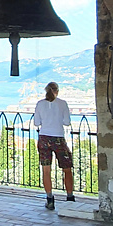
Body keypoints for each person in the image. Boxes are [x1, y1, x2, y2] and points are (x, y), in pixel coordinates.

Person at [31, 82, 75, 210]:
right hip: (58, 138)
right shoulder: (62, 103)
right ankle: (70, 197)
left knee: (46, 170)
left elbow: (36, 122)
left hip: (44, 138)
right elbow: (67, 122)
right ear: (58, 91)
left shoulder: (40, 104)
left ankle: (50, 199)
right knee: (67, 168)